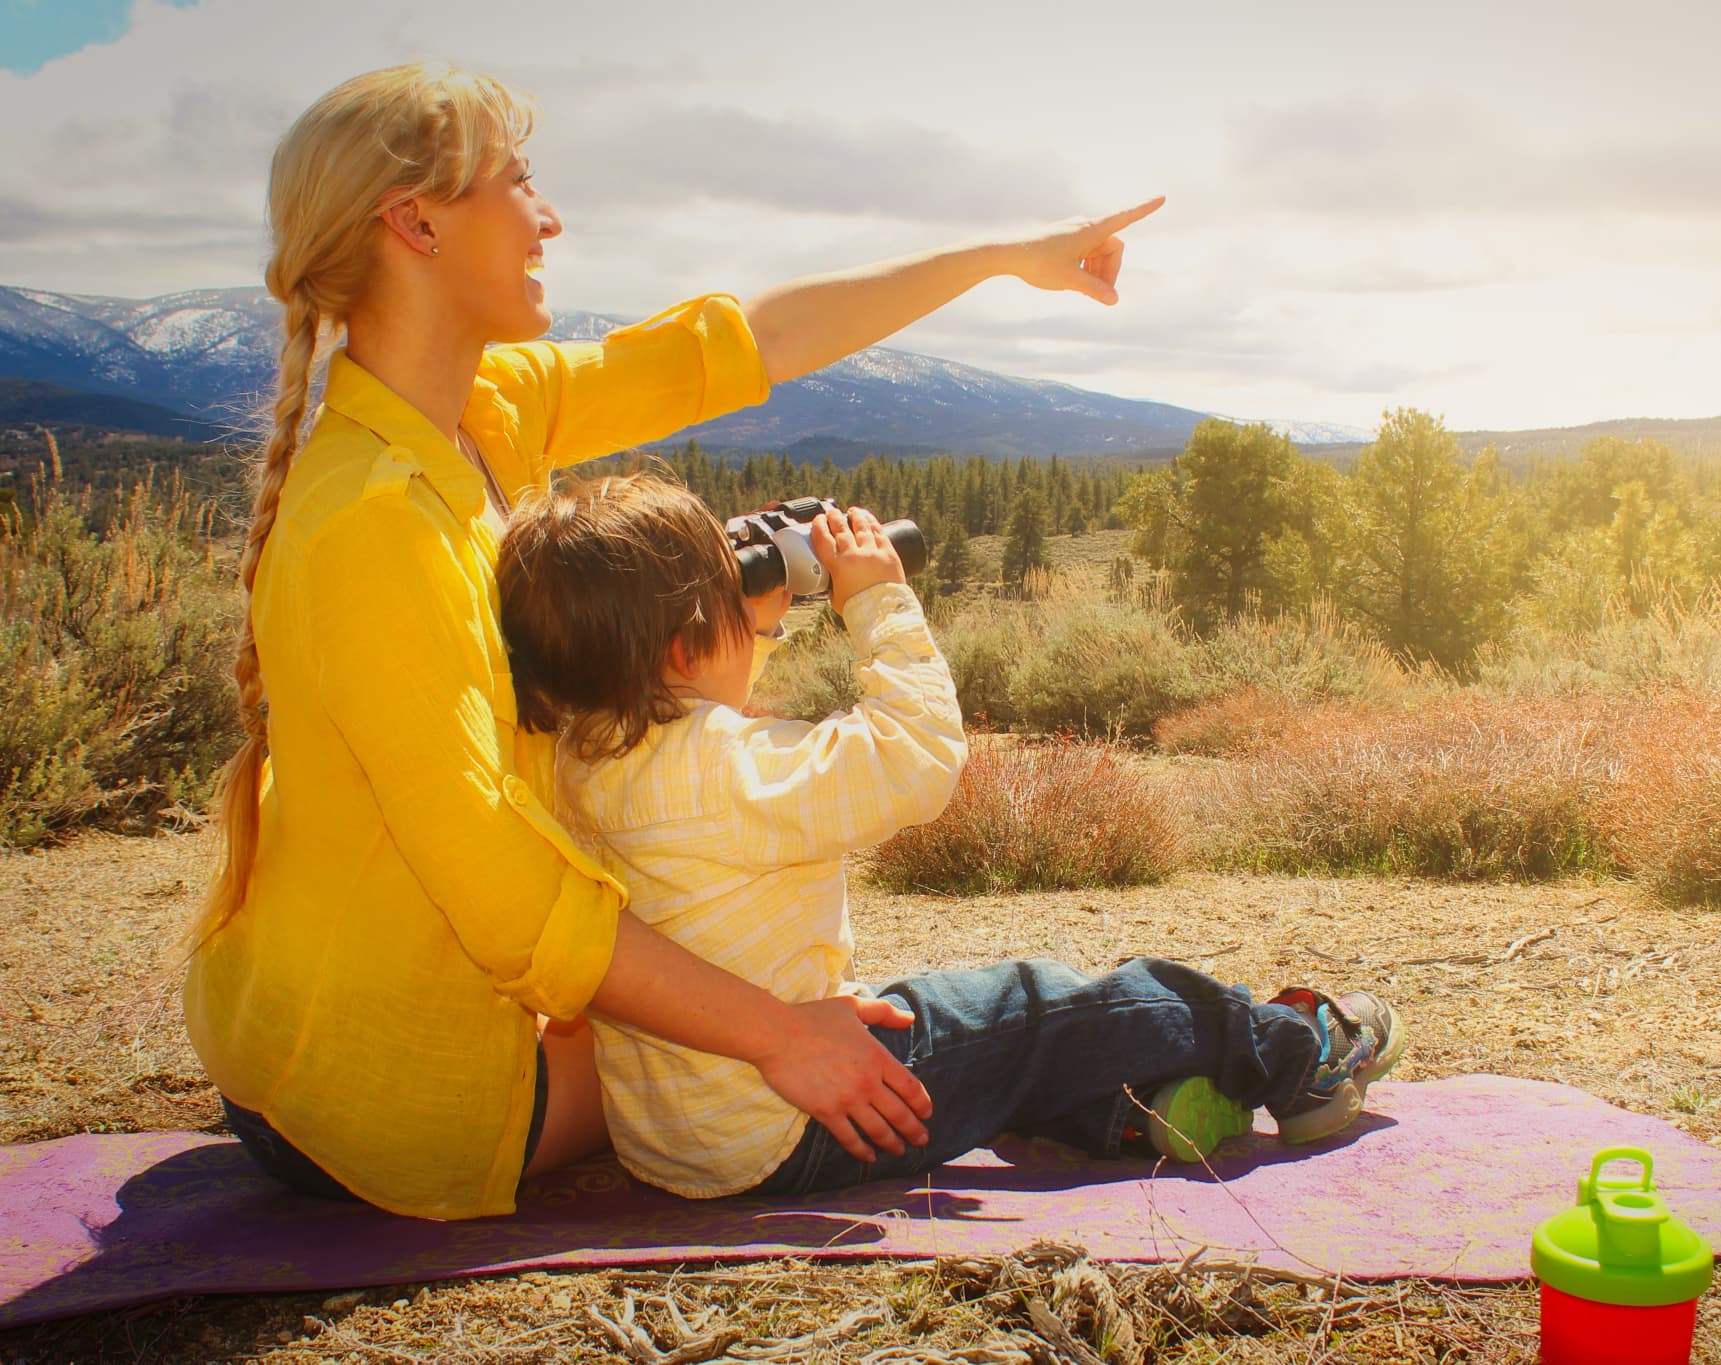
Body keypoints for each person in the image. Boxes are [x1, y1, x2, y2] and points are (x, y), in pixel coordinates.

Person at [180, 60, 1169, 1219]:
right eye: (517, 182)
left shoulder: (486, 413)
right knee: (815, 1060)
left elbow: (743, 340)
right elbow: (501, 895)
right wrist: (771, 1031)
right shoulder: (369, 522)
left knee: (791, 1018)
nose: (548, 216)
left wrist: (1002, 256)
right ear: (415, 221)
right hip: (380, 1084)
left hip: (344, 1028)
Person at [496, 473, 1408, 1198]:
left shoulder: (581, 762)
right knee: (1040, 1001)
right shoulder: (730, 768)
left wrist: (736, 603)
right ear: (688, 643)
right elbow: (915, 757)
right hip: (799, 1120)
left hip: (685, 1136)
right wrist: (876, 603)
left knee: (960, 1029)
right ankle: (1299, 1055)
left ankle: (1129, 1113)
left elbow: (694, 684)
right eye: (732, 605)